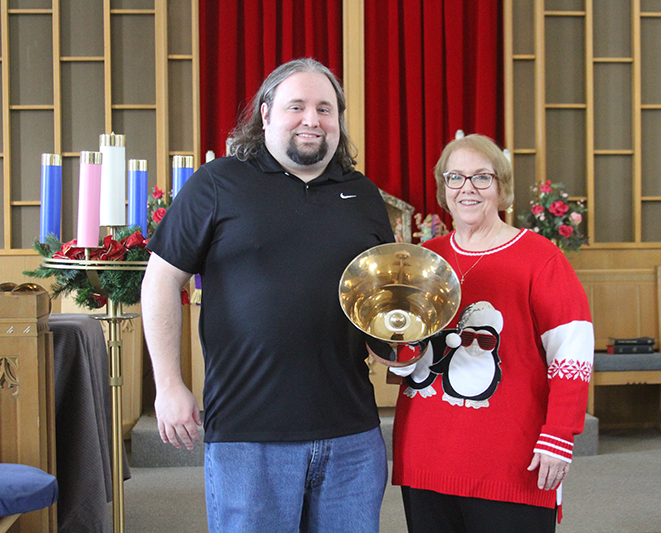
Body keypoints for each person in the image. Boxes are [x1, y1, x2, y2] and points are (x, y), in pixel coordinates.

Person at [141, 58, 395, 532]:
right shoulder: (217, 183)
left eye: (325, 108)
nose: (311, 119)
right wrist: (169, 385)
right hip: (249, 431)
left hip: (351, 432)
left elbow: (381, 300)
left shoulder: (363, 195)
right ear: (265, 114)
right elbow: (160, 280)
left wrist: (400, 349)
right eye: (295, 106)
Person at [389, 134, 594, 532]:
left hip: (510, 460)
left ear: (501, 188)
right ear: (442, 188)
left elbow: (573, 353)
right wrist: (389, 348)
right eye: (455, 178)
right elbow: (407, 353)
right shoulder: (425, 258)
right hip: (425, 454)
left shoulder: (540, 258)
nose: (467, 188)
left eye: (481, 178)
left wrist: (558, 434)